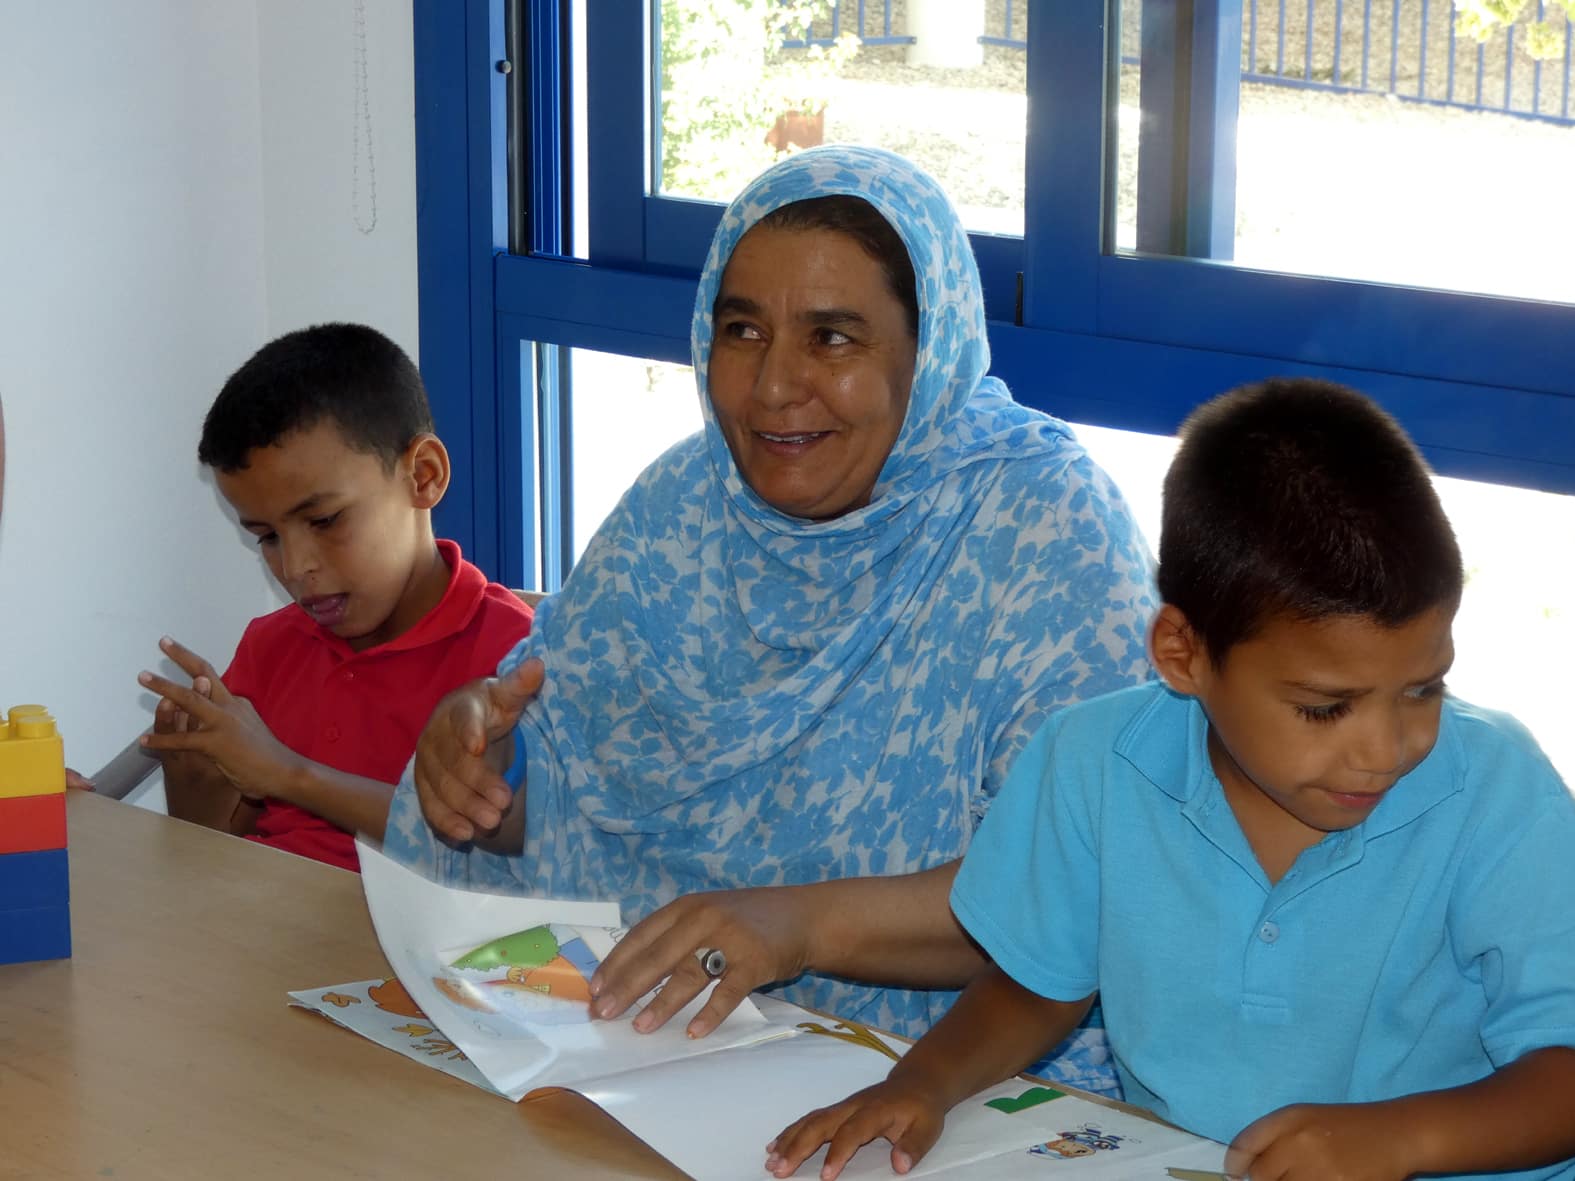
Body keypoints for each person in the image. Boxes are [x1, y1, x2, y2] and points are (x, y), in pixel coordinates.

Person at [382, 145, 1156, 1093]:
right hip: (666, 1065)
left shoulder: (1046, 532)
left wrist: (795, 924)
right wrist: (477, 770)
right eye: (741, 330)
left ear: (931, 347)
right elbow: (570, 833)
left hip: (952, 1087)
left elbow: (1076, 885)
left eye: (833, 338)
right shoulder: (678, 511)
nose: (773, 386)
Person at [765, 378, 1575, 1181]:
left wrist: (1400, 1140)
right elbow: (1039, 987)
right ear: (1182, 653)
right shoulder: (1091, 763)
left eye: (1422, 688)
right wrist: (920, 1085)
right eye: (1327, 708)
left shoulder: (1495, 790)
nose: (1386, 748)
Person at [135, 323, 534, 871]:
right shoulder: (272, 646)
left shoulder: (514, 656)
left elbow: (506, 858)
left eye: (324, 520)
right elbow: (208, 859)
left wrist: (286, 772)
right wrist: (194, 770)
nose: (296, 568)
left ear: (423, 476)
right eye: (267, 537)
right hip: (262, 931)